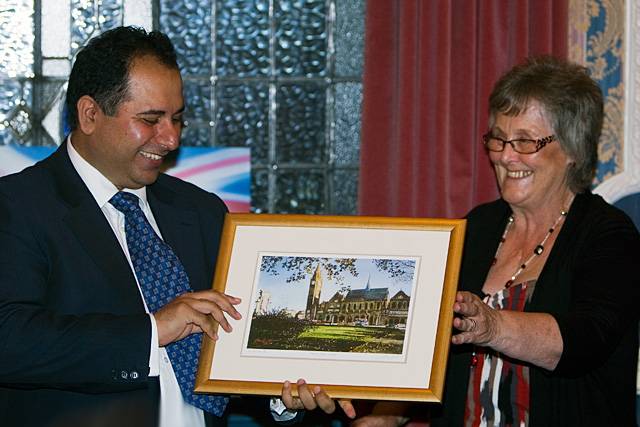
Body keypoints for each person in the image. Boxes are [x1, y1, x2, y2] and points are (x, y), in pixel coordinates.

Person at [281, 56, 640, 426]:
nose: (505, 155)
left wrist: (494, 326)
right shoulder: (477, 227)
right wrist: (389, 417)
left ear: (574, 150)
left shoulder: (609, 235)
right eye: (498, 138)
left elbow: (584, 342)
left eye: (525, 141)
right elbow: (429, 350)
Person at [0, 26, 242, 427]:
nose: (170, 139)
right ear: (90, 114)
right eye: (151, 120)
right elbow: (9, 338)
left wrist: (280, 398)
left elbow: (234, 339)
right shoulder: (16, 207)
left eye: (177, 119)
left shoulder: (202, 211)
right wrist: (152, 332)